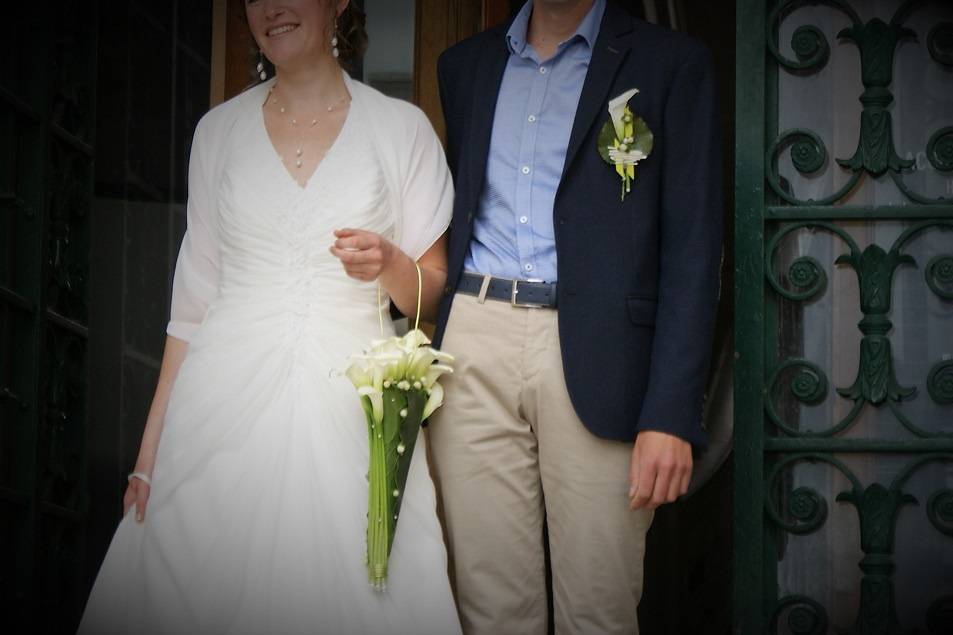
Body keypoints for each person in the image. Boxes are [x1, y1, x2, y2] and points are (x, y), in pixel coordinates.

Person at [78, 1, 461, 633]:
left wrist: (391, 262)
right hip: (219, 403)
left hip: (351, 405)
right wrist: (148, 456)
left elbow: (428, 297)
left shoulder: (402, 129)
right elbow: (191, 308)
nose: (271, 8)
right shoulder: (218, 132)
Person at [428, 0, 722, 633]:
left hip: (602, 353)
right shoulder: (465, 66)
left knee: (599, 606)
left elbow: (694, 249)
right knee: (491, 609)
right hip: (474, 340)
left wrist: (671, 411)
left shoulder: (672, 64)